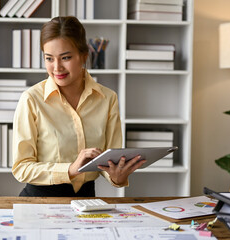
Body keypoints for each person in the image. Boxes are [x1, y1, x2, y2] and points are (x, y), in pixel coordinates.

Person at [12, 16, 146, 197]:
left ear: (84, 55)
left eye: (65, 57)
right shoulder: (31, 99)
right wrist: (70, 169)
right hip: (39, 201)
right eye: (49, 58)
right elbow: (21, 167)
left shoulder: (107, 99)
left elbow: (109, 161)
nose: (57, 67)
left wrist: (118, 177)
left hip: (86, 201)